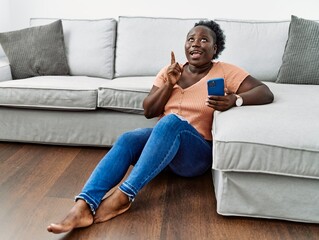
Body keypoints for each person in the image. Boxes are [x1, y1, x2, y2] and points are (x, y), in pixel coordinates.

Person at [47, 20, 274, 234]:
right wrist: (169, 84)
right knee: (128, 138)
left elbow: (264, 91)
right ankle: (83, 206)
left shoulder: (225, 71)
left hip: (195, 156)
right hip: (160, 152)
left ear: (215, 49)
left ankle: (124, 195)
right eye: (191, 39)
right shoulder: (170, 71)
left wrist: (235, 99)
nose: (196, 43)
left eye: (204, 40)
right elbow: (149, 111)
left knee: (171, 121)